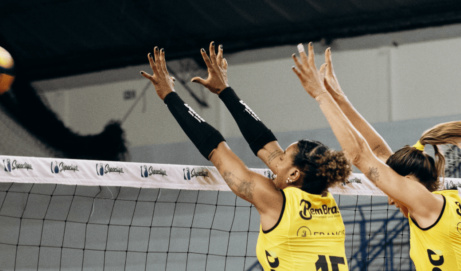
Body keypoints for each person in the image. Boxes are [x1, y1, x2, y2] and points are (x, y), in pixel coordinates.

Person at [141, 43, 351, 270]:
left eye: (282, 158)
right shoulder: (325, 197)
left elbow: (217, 150)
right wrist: (224, 91)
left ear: (293, 173)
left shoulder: (277, 203)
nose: (275, 159)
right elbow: (264, 143)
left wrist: (169, 96)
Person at [292, 42, 461, 270]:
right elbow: (376, 151)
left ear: (407, 181)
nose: (390, 199)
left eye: (391, 190)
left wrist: (320, 95)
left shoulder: (425, 202)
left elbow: (359, 155)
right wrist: (339, 98)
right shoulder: (439, 203)